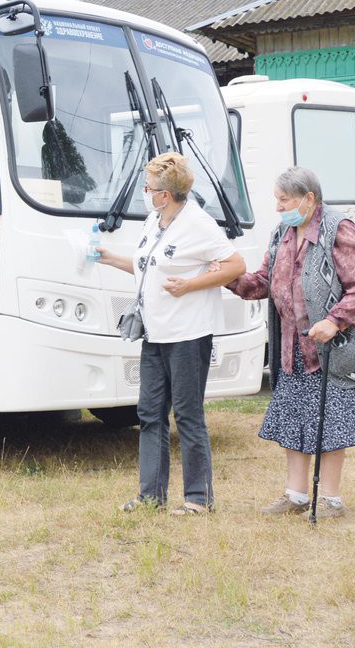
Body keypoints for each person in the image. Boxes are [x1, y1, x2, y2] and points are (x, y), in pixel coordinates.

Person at [224, 167, 355, 519]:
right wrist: (227, 278)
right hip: (296, 342)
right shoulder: (281, 233)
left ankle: (331, 499)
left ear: (309, 198)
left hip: (340, 343)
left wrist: (334, 320)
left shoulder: (338, 229)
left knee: (331, 418)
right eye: (276, 201)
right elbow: (264, 280)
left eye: (284, 200)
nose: (278, 208)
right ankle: (295, 496)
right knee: (294, 416)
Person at [96, 152, 246, 515]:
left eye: (149, 187)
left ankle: (198, 498)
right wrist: (107, 257)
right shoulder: (154, 221)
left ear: (166, 194)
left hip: (188, 335)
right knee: (149, 413)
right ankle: (151, 495)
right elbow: (146, 266)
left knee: (188, 415)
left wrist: (192, 285)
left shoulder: (198, 223)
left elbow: (236, 265)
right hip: (155, 333)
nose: (145, 191)